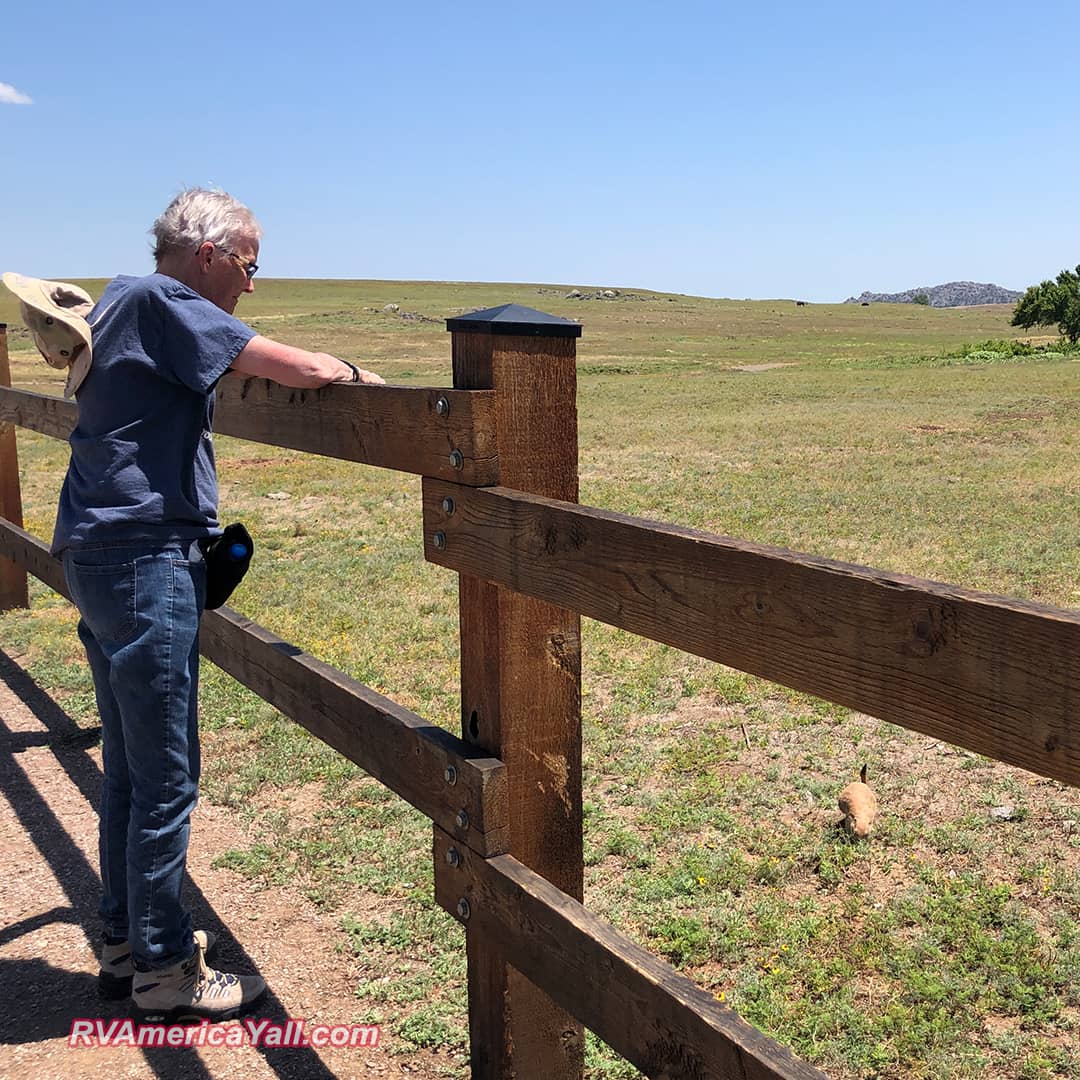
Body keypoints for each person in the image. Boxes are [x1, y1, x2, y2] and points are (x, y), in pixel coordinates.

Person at [47, 188, 384, 1022]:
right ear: (209, 254)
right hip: (144, 554)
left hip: (97, 549)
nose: (252, 284)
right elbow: (290, 366)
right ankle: (165, 971)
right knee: (166, 773)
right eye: (249, 263)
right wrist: (354, 378)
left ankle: (125, 941)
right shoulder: (167, 298)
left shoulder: (124, 298)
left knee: (128, 764)